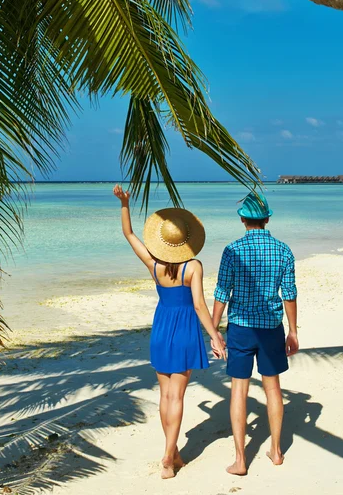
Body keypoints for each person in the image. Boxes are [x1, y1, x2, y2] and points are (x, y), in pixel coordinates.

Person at [113, 185, 226, 479]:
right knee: (177, 397)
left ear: (162, 241)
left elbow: (129, 235)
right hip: (186, 329)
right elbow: (200, 306)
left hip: (162, 328)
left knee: (165, 396)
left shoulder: (154, 264)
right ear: (187, 241)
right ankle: (167, 456)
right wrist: (215, 336)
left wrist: (125, 204)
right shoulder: (194, 267)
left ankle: (173, 452)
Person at [212, 192, 299, 476]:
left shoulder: (232, 250)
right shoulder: (283, 250)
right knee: (273, 388)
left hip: (240, 328)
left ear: (243, 219)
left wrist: (214, 330)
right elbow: (289, 295)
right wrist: (293, 331)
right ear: (268, 218)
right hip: (271, 327)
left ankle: (240, 460)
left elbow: (222, 293)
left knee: (239, 390)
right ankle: (275, 451)